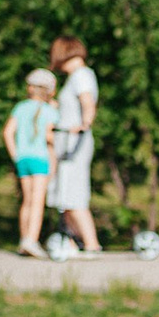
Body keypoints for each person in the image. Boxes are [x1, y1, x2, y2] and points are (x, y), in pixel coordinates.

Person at [49, 37, 101, 257]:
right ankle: (71, 242)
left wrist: (84, 124)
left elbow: (88, 104)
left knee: (74, 194)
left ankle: (91, 244)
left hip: (74, 143)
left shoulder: (81, 75)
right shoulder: (75, 77)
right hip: (66, 142)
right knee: (66, 195)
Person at [2, 68, 60, 258]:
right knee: (37, 201)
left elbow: (8, 133)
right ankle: (31, 240)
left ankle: (23, 239)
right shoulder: (49, 111)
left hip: (23, 159)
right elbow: (49, 137)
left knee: (26, 201)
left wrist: (16, 156)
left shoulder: (20, 107)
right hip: (40, 158)